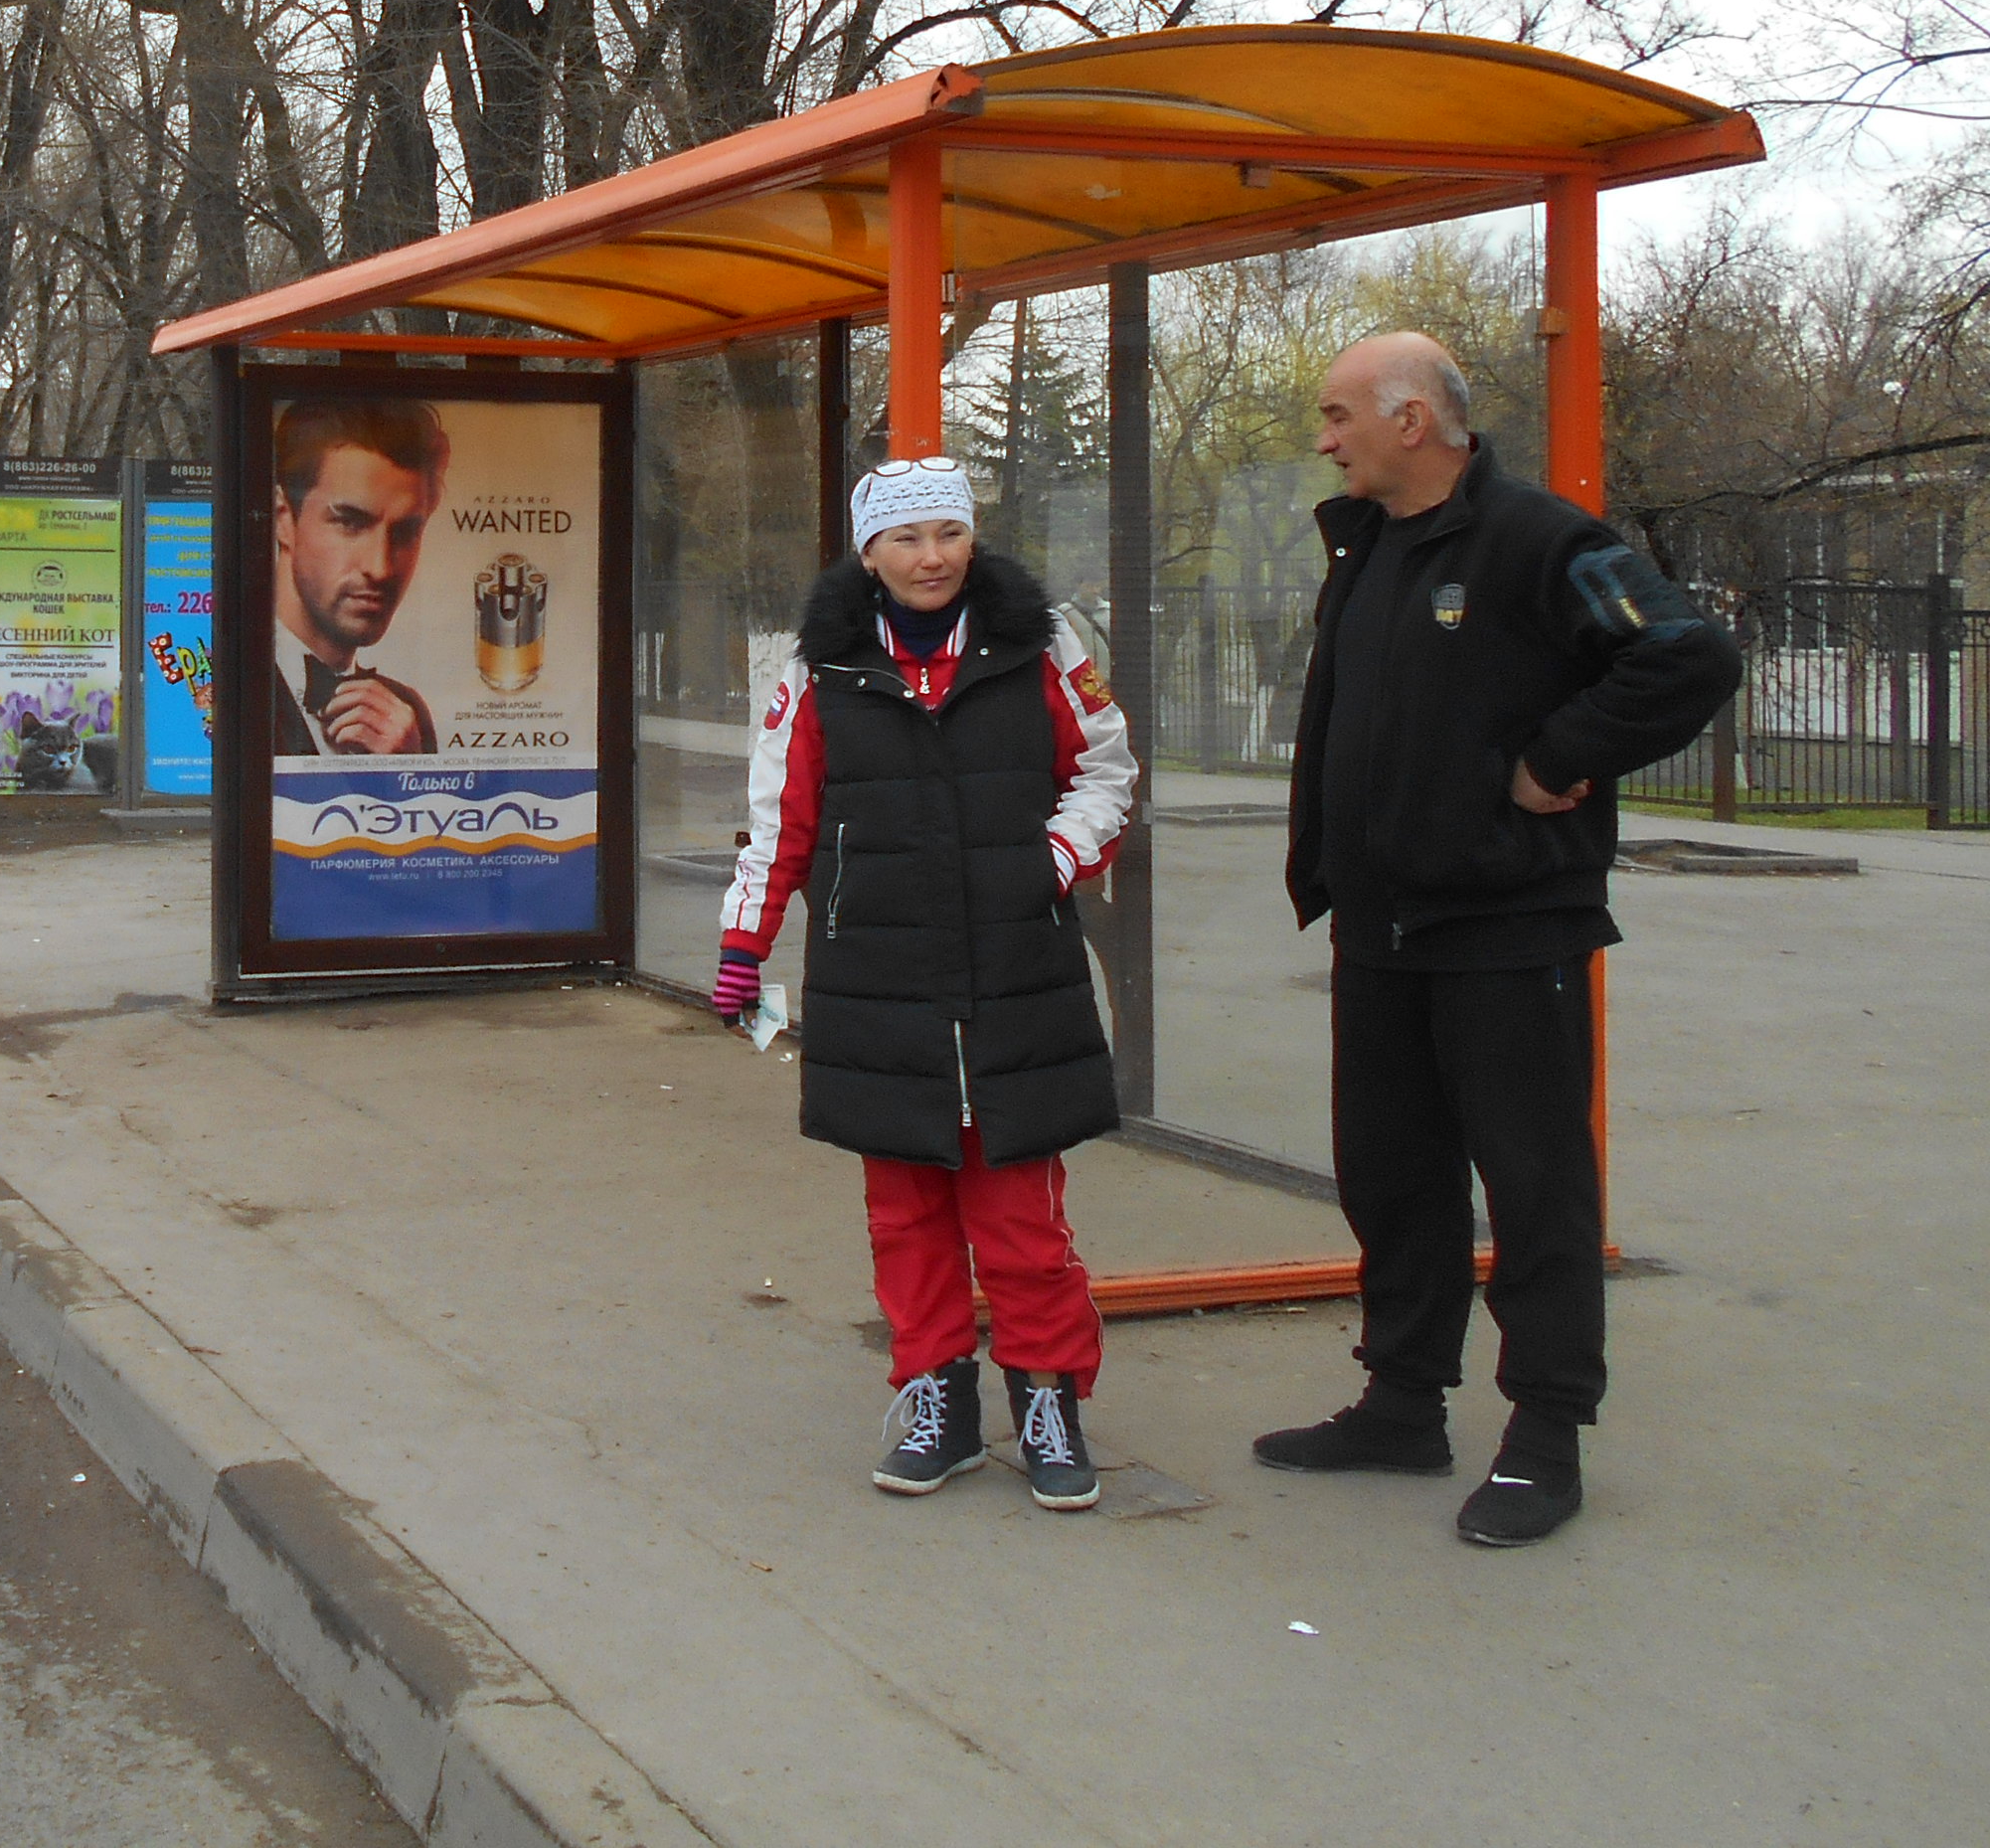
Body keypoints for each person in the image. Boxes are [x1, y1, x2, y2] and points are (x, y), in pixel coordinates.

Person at [1254, 332, 1740, 1548]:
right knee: (1395, 1178)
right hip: (1382, 932)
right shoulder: (1368, 545)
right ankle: (1402, 1406)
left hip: (1506, 929)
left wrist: (1552, 760)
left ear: (1413, 420)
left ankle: (1545, 1439)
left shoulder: (1539, 540)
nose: (1326, 438)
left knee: (1535, 1188)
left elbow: (1687, 654)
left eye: (1338, 414)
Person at [716, 457, 1135, 1508]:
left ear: (971, 538)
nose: (931, 556)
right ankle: (936, 1399)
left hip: (1016, 973)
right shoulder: (817, 668)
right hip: (877, 980)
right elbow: (782, 821)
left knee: (1023, 1222)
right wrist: (742, 948)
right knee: (904, 1214)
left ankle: (1049, 1400)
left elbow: (1107, 772)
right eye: (906, 538)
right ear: (869, 553)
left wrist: (1052, 859)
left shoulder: (1042, 643)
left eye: (948, 533)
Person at [267, 396, 446, 758]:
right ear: (283, 518)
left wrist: (407, 768)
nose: (380, 568)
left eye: (406, 532)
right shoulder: (227, 691)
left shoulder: (405, 714)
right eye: (350, 522)